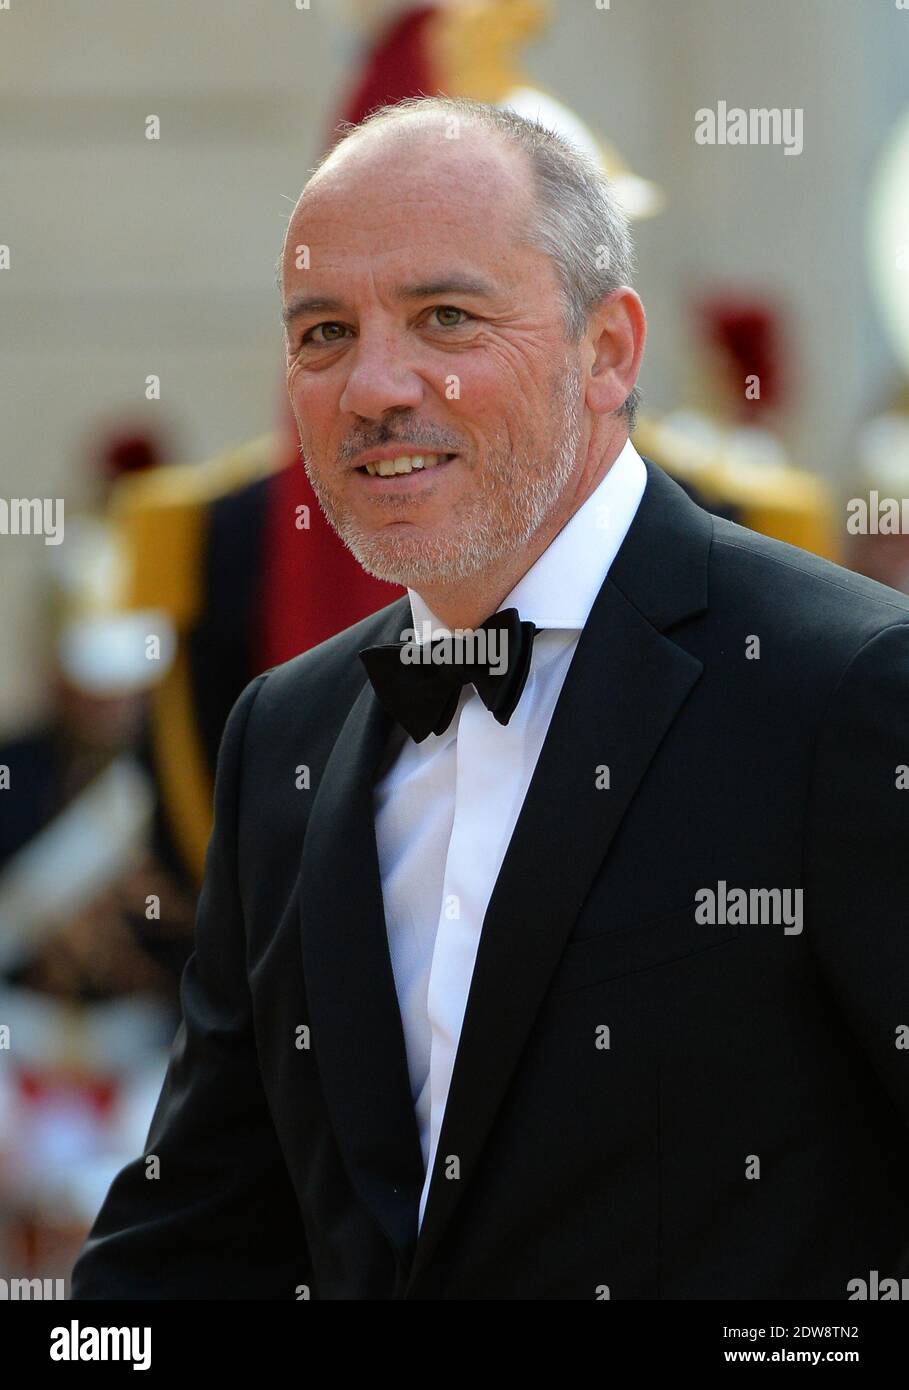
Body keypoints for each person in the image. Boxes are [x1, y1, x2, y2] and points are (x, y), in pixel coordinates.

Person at [70, 96, 909, 1301]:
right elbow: (197, 1234)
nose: (373, 385)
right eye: (321, 333)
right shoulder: (285, 734)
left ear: (608, 352)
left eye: (445, 317)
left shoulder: (848, 688)